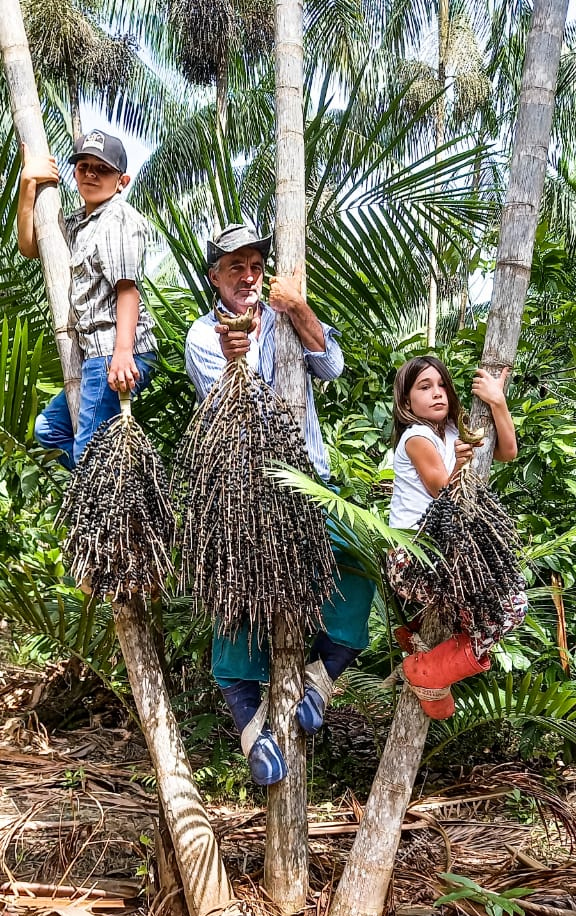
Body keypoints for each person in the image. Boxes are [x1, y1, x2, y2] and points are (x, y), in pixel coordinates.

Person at [185, 223, 375, 786]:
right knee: (236, 591)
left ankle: (321, 677)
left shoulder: (290, 318)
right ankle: (253, 727)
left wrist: (299, 309)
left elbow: (332, 366)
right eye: (233, 267)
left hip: (311, 481)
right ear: (214, 277)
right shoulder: (203, 335)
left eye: (254, 265)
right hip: (245, 492)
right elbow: (237, 408)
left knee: (362, 555)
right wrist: (236, 355)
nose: (246, 277)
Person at [386, 355, 527, 720]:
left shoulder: (452, 431)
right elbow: (442, 492)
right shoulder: (416, 437)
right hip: (414, 557)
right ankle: (428, 670)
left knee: (502, 606)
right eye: (424, 387)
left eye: (442, 385)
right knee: (508, 606)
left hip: (443, 554)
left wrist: (497, 401)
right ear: (406, 403)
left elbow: (507, 452)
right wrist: (462, 464)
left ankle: (427, 665)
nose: (437, 393)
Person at [17, 129, 157, 469]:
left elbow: (127, 288)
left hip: (116, 348)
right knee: (49, 430)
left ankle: (107, 502)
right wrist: (27, 184)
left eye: (102, 169)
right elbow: (29, 246)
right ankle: (119, 495)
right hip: (95, 354)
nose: (91, 174)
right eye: (83, 167)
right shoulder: (79, 223)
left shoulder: (118, 219)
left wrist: (122, 355)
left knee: (89, 455)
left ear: (122, 180)